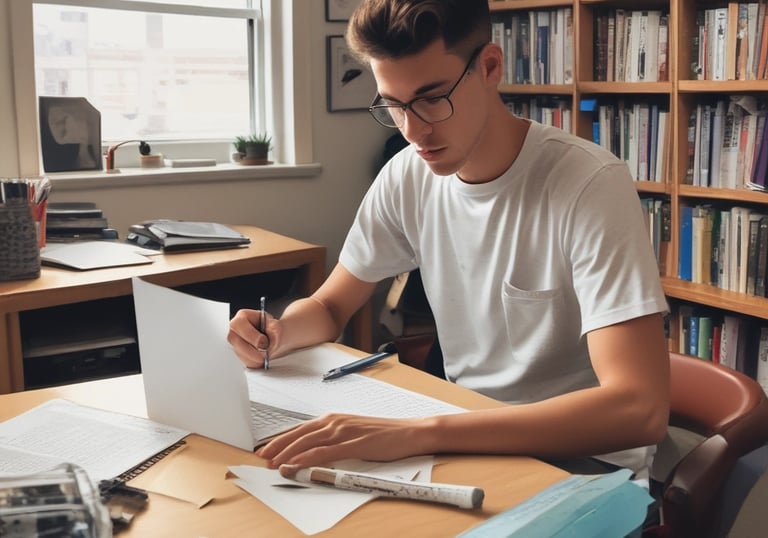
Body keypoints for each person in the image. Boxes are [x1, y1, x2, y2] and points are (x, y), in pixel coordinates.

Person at [228, 0, 670, 486]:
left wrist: (421, 433)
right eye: (393, 105)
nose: (414, 130)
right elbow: (332, 307)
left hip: (583, 467)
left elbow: (638, 408)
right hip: (464, 442)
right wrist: (279, 333)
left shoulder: (587, 183)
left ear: (490, 67)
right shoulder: (407, 176)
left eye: (432, 98)